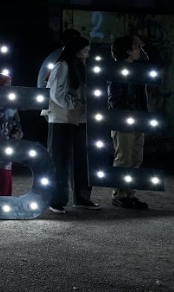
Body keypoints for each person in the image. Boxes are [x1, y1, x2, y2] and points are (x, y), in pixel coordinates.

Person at [46, 35, 98, 213]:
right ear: (76, 50)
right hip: (62, 118)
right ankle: (56, 200)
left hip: (79, 118)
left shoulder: (81, 66)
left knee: (82, 160)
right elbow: (55, 93)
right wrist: (73, 104)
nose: (88, 54)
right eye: (85, 50)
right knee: (59, 161)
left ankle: (82, 198)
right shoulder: (62, 66)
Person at [108, 36, 150, 209]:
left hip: (138, 117)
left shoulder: (137, 68)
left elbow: (154, 60)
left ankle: (129, 193)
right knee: (124, 157)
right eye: (135, 47)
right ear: (127, 51)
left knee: (135, 158)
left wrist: (144, 45)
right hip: (124, 119)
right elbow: (114, 98)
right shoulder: (116, 69)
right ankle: (119, 194)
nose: (138, 50)